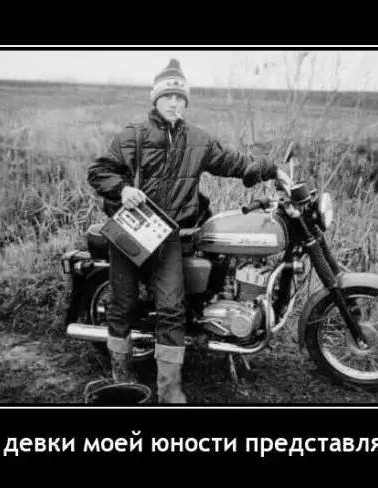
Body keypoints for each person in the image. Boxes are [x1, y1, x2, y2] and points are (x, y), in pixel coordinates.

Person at [87, 58, 291, 403]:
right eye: (168, 96)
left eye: (180, 98)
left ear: (186, 102)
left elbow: (236, 163)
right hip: (131, 233)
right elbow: (99, 171)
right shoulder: (132, 134)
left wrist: (273, 169)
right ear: (155, 99)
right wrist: (122, 189)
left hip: (169, 236)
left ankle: (170, 392)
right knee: (123, 306)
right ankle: (121, 375)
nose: (174, 103)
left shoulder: (199, 139)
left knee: (172, 308)